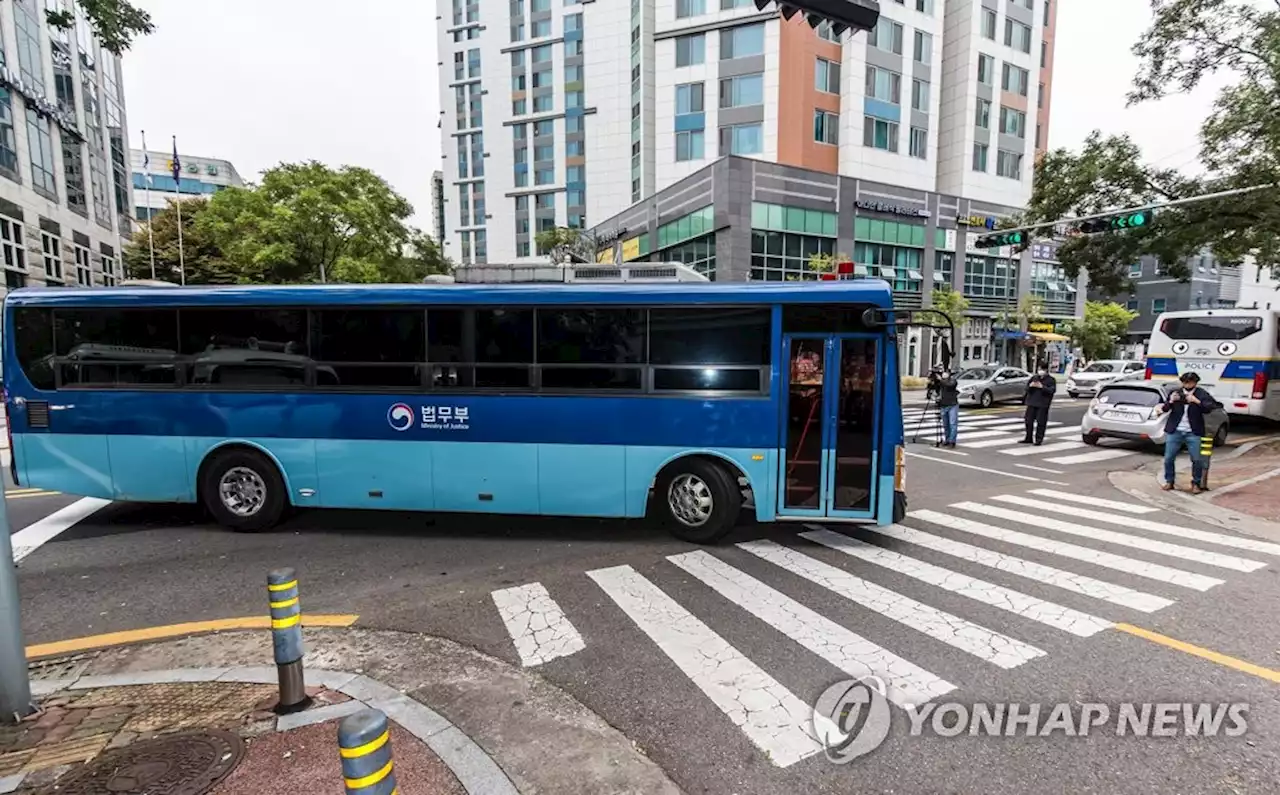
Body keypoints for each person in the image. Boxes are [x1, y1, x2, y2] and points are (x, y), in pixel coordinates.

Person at [1158, 372, 1220, 494]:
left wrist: (1197, 401)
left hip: (1193, 431)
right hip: (1175, 430)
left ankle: (1196, 483)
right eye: (1185, 382)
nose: (1187, 384)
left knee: (1197, 459)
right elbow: (1165, 409)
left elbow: (1210, 407)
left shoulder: (1201, 394)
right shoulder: (1176, 393)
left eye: (1190, 382)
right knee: (1168, 458)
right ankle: (1169, 481)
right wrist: (1170, 401)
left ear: (1195, 383)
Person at [1021, 361, 1056, 445]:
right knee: (1028, 421)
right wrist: (1030, 386)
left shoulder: (1050, 380)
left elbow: (1052, 390)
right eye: (1039, 369)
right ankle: (1028, 437)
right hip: (1031, 402)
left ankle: (1038, 439)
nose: (1040, 371)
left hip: (1043, 404)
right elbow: (1026, 389)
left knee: (1041, 422)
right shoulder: (1034, 378)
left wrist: (1042, 387)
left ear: (1046, 370)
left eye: (1042, 369)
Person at [935, 367, 960, 448]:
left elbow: (950, 385)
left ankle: (952, 441)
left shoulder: (953, 381)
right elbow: (936, 389)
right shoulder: (941, 382)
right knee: (945, 424)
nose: (943, 374)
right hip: (943, 405)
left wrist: (941, 380)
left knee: (952, 423)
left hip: (952, 404)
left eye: (945, 373)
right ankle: (947, 439)